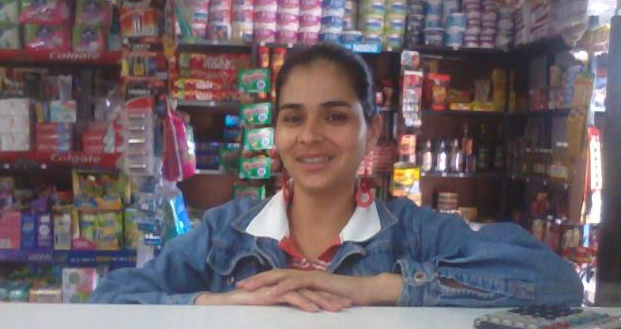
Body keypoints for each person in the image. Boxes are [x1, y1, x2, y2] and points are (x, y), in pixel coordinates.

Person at [89, 43, 583, 311]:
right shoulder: (225, 234)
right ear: (277, 132)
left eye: (335, 116)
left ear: (373, 132)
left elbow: (556, 283)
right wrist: (213, 302)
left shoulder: (413, 234)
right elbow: (111, 299)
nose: (310, 136)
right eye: (293, 118)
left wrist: (376, 288)